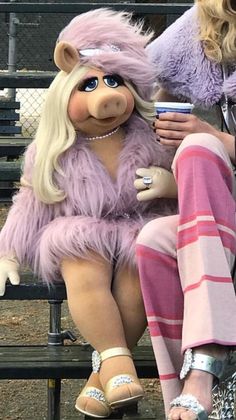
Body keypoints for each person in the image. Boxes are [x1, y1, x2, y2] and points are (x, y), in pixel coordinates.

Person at [0, 9, 177, 419]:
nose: (107, 93)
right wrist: (8, 249)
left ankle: (104, 378)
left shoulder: (150, 136)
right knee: (80, 263)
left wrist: (172, 185)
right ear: (66, 93)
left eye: (115, 81)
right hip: (82, 231)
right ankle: (117, 362)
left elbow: (185, 173)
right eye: (90, 84)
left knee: (138, 272)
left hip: (139, 227)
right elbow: (31, 199)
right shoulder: (56, 149)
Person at [134, 0, 236, 419]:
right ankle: (184, 399)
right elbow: (146, 71)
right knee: (152, 240)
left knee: (202, 143)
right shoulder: (203, 23)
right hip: (225, 209)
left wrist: (214, 135)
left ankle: (207, 359)